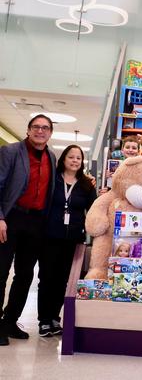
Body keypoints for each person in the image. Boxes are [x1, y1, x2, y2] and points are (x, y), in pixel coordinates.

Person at [0, 115, 56, 346]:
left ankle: (10, 321)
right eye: (36, 127)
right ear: (28, 130)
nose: (40, 131)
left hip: (35, 223)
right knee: (1, 272)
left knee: (25, 275)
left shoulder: (52, 157)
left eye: (45, 128)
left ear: (50, 132)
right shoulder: (11, 151)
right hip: (11, 218)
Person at [38, 145, 96, 337]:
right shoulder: (52, 180)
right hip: (49, 236)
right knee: (47, 278)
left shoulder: (87, 185)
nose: (74, 161)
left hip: (73, 239)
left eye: (78, 158)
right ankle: (44, 320)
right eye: (71, 157)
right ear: (63, 159)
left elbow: (93, 210)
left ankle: (55, 318)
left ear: (82, 162)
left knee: (63, 280)